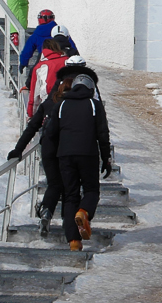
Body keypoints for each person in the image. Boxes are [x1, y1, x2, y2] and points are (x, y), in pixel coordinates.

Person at [43, 74, 111, 252]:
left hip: (65, 156)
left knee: (70, 196)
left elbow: (51, 133)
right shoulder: (94, 105)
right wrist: (106, 158)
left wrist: (53, 157)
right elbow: (102, 133)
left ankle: (74, 241)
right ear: (91, 89)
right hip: (88, 154)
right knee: (91, 190)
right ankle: (84, 212)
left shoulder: (61, 105)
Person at [8, 85, 66, 236]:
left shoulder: (47, 104)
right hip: (67, 149)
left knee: (54, 184)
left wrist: (18, 149)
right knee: (69, 185)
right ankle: (68, 222)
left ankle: (46, 212)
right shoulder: (75, 105)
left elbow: (32, 127)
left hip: (48, 148)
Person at [19, 10, 77, 75]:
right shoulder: (59, 31)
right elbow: (72, 46)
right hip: (63, 58)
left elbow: (27, 50)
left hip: (44, 58)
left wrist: (23, 62)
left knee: (33, 74)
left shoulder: (36, 35)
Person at [26, 39, 68, 119]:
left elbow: (34, 93)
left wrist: (31, 113)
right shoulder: (67, 60)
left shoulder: (40, 66)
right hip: (68, 101)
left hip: (48, 103)